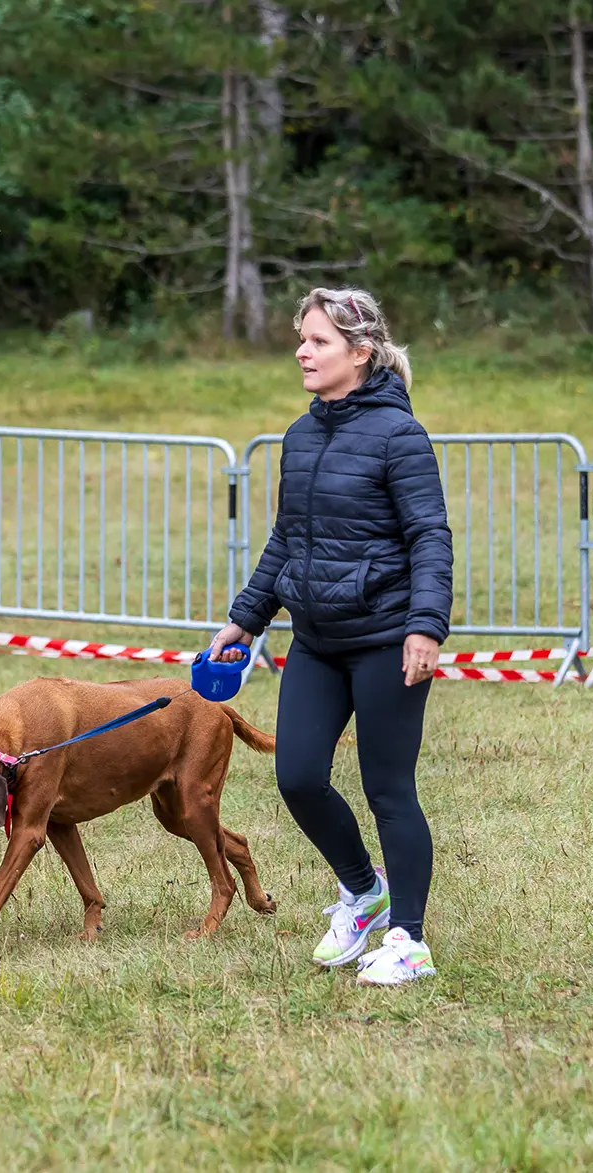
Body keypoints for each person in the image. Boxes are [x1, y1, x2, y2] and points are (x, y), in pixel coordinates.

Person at [208, 287, 453, 987]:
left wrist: (425, 626)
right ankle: (361, 887)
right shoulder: (300, 434)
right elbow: (289, 537)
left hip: (386, 637)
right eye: (302, 339)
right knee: (298, 776)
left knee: (388, 788)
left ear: (360, 352)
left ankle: (408, 937)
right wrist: (246, 615)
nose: (301, 351)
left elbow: (428, 534)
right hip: (315, 638)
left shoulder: (399, 435)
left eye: (316, 340)